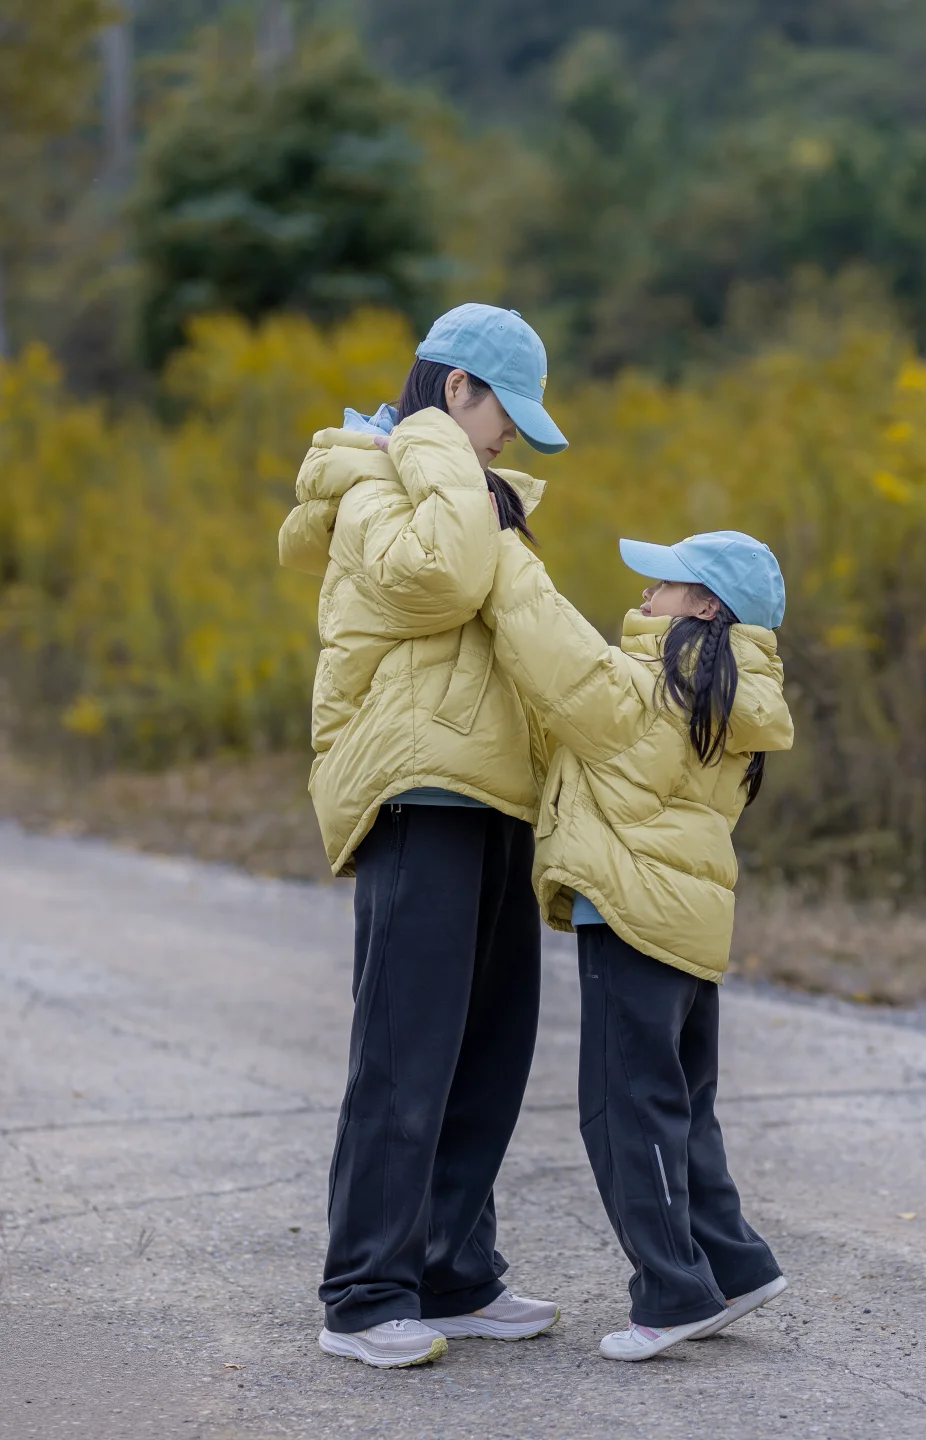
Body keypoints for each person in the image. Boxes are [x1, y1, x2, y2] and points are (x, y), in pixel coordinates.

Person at [278, 304, 567, 1369]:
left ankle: (452, 1271)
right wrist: (436, 450)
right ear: (455, 390)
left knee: (488, 1051)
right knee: (405, 1056)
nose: (508, 440)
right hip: (417, 790)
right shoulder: (371, 481)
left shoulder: (459, 488)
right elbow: (443, 579)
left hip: (493, 791)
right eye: (499, 416)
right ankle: (364, 1294)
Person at [480, 526, 794, 1361]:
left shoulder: (651, 692)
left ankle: (672, 1292)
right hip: (686, 926)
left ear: (704, 607)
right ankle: (733, 1263)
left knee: (623, 1113)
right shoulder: (720, 695)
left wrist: (494, 537)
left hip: (631, 917)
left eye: (661, 584)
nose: (643, 596)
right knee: (680, 1107)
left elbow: (545, 640)